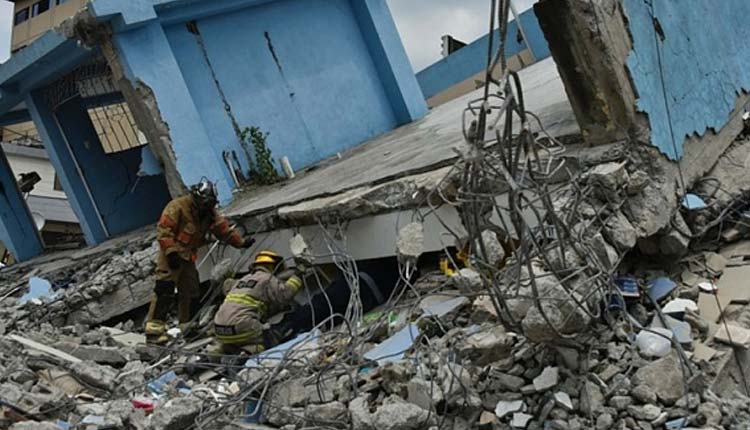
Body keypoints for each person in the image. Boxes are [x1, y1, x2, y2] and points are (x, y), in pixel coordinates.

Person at [145, 178, 254, 344]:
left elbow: (223, 230)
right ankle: (153, 332)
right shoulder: (177, 206)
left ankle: (188, 327)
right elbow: (163, 231)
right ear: (197, 199)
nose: (208, 208)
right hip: (171, 254)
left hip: (188, 255)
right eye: (205, 204)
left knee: (191, 291)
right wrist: (171, 252)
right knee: (164, 288)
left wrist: (241, 243)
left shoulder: (208, 213)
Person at [213, 250, 304, 354]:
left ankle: (213, 355)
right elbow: (284, 295)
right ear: (273, 266)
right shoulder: (267, 278)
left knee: (235, 341)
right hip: (242, 326)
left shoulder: (244, 279)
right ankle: (244, 355)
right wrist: (298, 276)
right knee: (270, 338)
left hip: (219, 329)